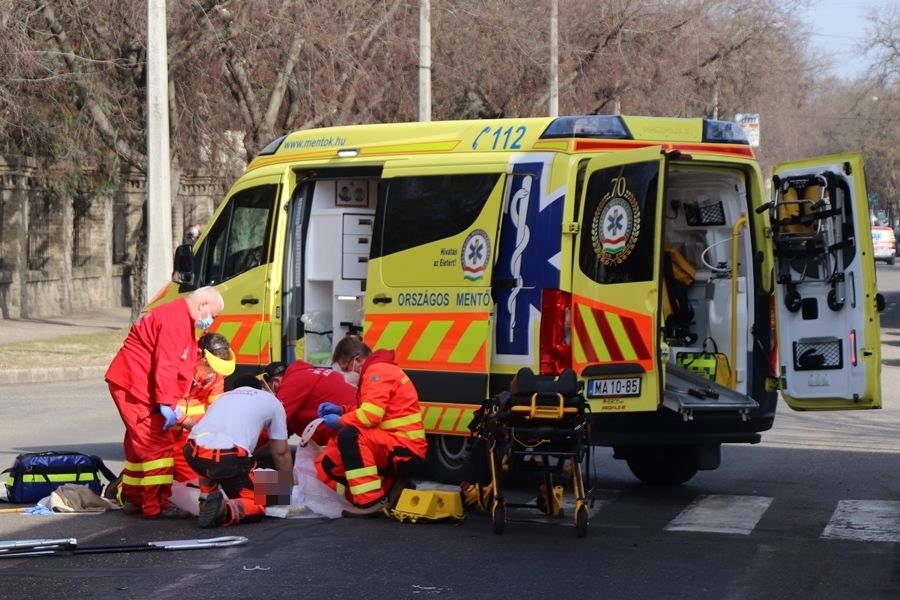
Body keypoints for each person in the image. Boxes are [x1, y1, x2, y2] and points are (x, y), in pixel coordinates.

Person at [105, 286, 225, 518]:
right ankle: (155, 505)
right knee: (155, 447)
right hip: (140, 388)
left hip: (143, 390)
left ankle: (134, 497)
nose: (212, 321)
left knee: (140, 447)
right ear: (202, 306)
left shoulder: (176, 317)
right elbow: (166, 365)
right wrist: (168, 403)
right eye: (214, 315)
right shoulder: (177, 321)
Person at [315, 337, 427, 518]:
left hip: (403, 448)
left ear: (358, 359)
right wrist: (342, 410)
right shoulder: (378, 370)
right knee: (332, 462)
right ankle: (390, 488)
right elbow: (373, 411)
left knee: (349, 435)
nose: (346, 375)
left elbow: (370, 416)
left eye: (345, 369)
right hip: (397, 445)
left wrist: (339, 419)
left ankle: (372, 502)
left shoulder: (377, 372)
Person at [183, 375, 294, 528]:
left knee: (212, 460)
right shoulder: (271, 401)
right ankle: (224, 510)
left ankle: (206, 498)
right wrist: (285, 487)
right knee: (261, 500)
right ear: (259, 388)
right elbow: (281, 452)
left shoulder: (222, 398)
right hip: (227, 457)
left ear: (235, 389)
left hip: (192, 451)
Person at [171, 332, 236, 482]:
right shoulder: (179, 366)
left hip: (189, 439)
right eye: (209, 366)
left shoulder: (216, 372)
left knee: (187, 484)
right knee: (156, 479)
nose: (212, 373)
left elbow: (216, 408)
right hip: (168, 435)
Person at [275, 359, 358, 446]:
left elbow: (273, 425)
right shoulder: (308, 374)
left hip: (350, 433)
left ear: (276, 382)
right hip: (350, 428)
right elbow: (282, 430)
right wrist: (342, 410)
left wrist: (340, 419)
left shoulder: (293, 382)